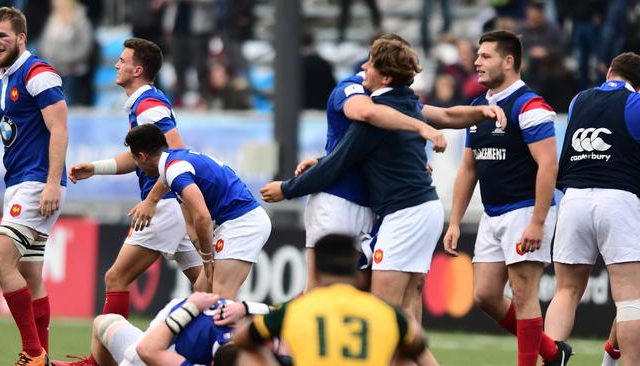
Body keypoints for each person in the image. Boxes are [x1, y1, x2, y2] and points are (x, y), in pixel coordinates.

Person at [263, 34, 505, 296]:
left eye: (370, 61)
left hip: (376, 208)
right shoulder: (353, 89)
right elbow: (365, 120)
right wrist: (424, 130)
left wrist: (481, 112)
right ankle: (274, 330)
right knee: (324, 292)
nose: (364, 66)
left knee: (365, 293)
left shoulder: (395, 103)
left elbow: (444, 115)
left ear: (387, 75)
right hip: (338, 201)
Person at [59, 38, 203, 364]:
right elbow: (141, 156)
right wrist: (97, 168)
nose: (116, 64)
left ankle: (100, 362)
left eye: (122, 60)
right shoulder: (145, 103)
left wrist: (152, 201)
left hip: (165, 204)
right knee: (209, 288)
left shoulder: (148, 104)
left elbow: (174, 153)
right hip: (178, 205)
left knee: (115, 278)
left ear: (137, 70)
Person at [441, 30, 567, 366]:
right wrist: (454, 220)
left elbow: (548, 166)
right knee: (484, 296)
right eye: (477, 55)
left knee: (524, 295)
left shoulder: (530, 106)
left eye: (485, 56)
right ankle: (553, 353)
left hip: (525, 211)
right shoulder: (477, 107)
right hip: (492, 214)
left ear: (508, 62)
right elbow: (469, 169)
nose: (476, 62)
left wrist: (538, 222)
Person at [544, 51, 640, 366]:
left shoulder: (578, 100)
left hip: (574, 200)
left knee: (566, 290)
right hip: (618, 198)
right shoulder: (635, 104)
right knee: (629, 298)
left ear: (609, 71)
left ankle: (551, 359)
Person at [0, 7, 68, 366]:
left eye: (2, 36)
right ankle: (44, 356)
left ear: (21, 38)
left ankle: (33, 353)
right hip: (17, 183)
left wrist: (53, 183)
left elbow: (59, 129)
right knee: (30, 274)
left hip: (37, 183)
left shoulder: (39, 74)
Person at [124, 123, 271, 300]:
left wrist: (207, 259)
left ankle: (268, 321)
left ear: (143, 156)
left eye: (135, 160)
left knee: (220, 296)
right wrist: (150, 202)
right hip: (236, 221)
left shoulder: (174, 171)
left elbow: (202, 217)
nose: (136, 166)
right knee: (202, 291)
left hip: (243, 223)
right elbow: (191, 220)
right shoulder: (174, 163)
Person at [234, 233, 428, 365]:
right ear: (358, 275)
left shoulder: (293, 309)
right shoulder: (387, 313)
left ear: (314, 273)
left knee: (246, 350)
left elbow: (241, 339)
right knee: (408, 349)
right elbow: (419, 344)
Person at [52, 291, 273, 366]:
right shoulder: (280, 350)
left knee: (107, 325)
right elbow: (294, 311)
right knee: (104, 321)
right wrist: (247, 307)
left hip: (149, 353)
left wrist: (190, 307)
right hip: (163, 342)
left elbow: (146, 351)